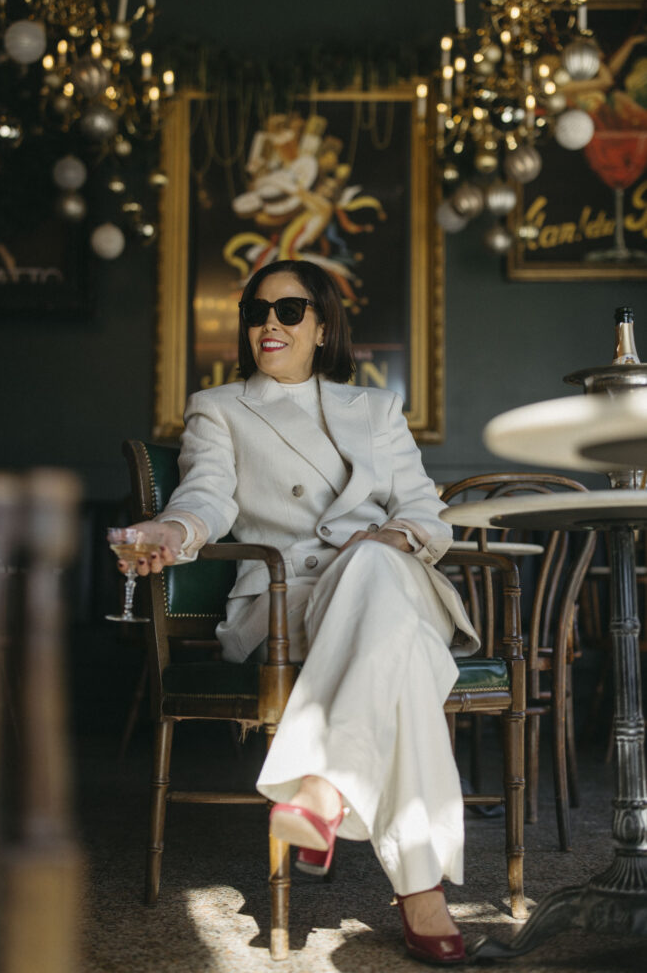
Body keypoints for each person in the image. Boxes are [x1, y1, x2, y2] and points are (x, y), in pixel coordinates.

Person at [121, 259, 479, 965]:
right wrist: (174, 530)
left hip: (388, 578)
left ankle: (322, 780)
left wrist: (397, 535)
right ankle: (417, 890)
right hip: (289, 601)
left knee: (377, 563)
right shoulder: (219, 406)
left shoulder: (375, 410)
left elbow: (422, 512)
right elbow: (209, 496)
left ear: (321, 327)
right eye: (256, 312)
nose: (269, 325)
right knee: (402, 657)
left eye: (288, 311)